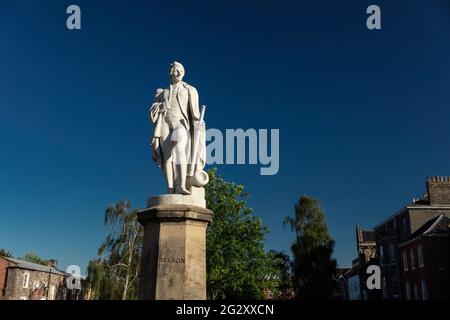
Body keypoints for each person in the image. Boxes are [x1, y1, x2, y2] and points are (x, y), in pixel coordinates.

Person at [149, 62, 206, 195]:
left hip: (181, 124)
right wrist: (159, 107)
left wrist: (200, 123)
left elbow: (195, 114)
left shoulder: (189, 89)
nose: (179, 73)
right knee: (167, 157)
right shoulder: (162, 92)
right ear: (171, 72)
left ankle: (180, 185)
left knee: (180, 147)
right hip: (164, 124)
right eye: (176, 70)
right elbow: (152, 110)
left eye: (182, 71)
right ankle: (170, 188)